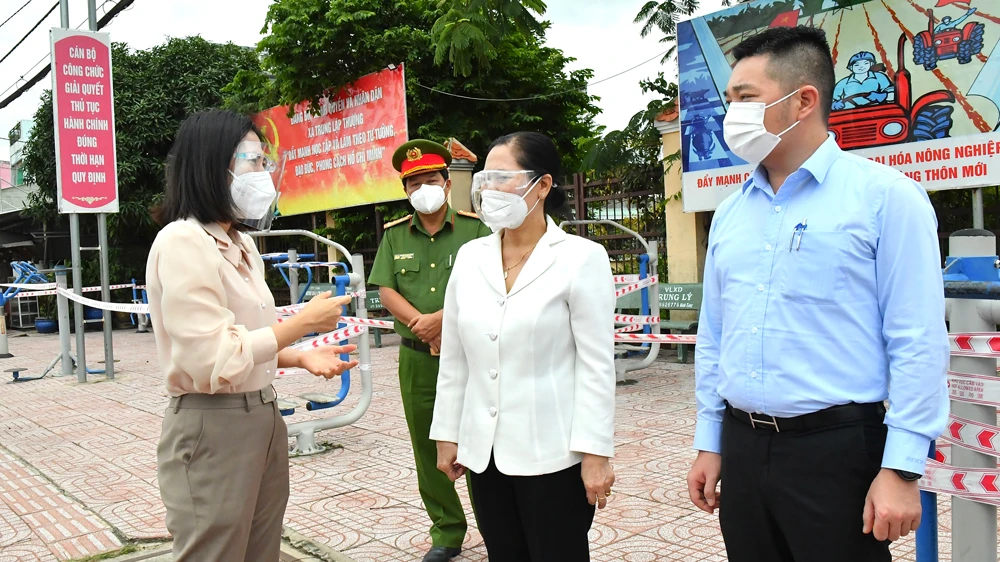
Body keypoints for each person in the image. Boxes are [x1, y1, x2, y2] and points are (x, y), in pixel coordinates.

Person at [689, 26, 950, 562]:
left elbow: (918, 341)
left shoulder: (886, 199)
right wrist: (710, 440)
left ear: (803, 100)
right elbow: (716, 335)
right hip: (742, 444)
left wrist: (901, 468)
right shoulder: (732, 213)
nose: (730, 114)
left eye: (746, 98)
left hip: (835, 451)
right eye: (729, 100)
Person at [147, 109, 358, 562]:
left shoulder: (241, 245)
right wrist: (299, 326)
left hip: (262, 414)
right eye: (253, 162)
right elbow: (213, 357)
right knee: (216, 552)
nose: (264, 175)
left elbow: (245, 339)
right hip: (213, 424)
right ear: (212, 167)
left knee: (262, 552)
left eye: (266, 163)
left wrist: (297, 356)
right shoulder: (183, 241)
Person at [430, 131, 617, 562]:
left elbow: (595, 365)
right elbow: (456, 358)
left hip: (553, 454)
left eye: (502, 178)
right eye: (485, 180)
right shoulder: (471, 257)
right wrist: (447, 433)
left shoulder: (580, 257)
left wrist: (595, 454)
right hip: (485, 455)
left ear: (544, 185)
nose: (489, 190)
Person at [368, 139, 491, 562]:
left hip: (473, 355)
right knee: (428, 446)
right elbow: (386, 289)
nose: (424, 188)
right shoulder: (395, 235)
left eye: (431, 180)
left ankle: (496, 524)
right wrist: (424, 328)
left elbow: (491, 284)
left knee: (479, 439)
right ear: (406, 191)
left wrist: (442, 319)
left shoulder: (477, 229)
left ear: (445, 183)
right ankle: (447, 531)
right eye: (414, 183)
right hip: (417, 359)